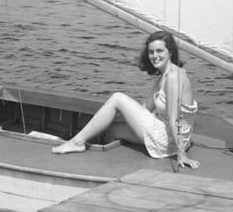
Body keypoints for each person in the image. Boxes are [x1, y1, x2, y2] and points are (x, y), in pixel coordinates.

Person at [52, 30, 199, 171]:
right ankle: (106, 166)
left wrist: (182, 154)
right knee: (112, 129)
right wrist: (116, 118)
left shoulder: (174, 78)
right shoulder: (164, 76)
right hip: (168, 135)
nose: (155, 56)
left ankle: (77, 142)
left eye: (159, 51)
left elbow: (174, 121)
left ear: (170, 52)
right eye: (151, 52)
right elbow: (145, 107)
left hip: (170, 140)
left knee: (118, 98)